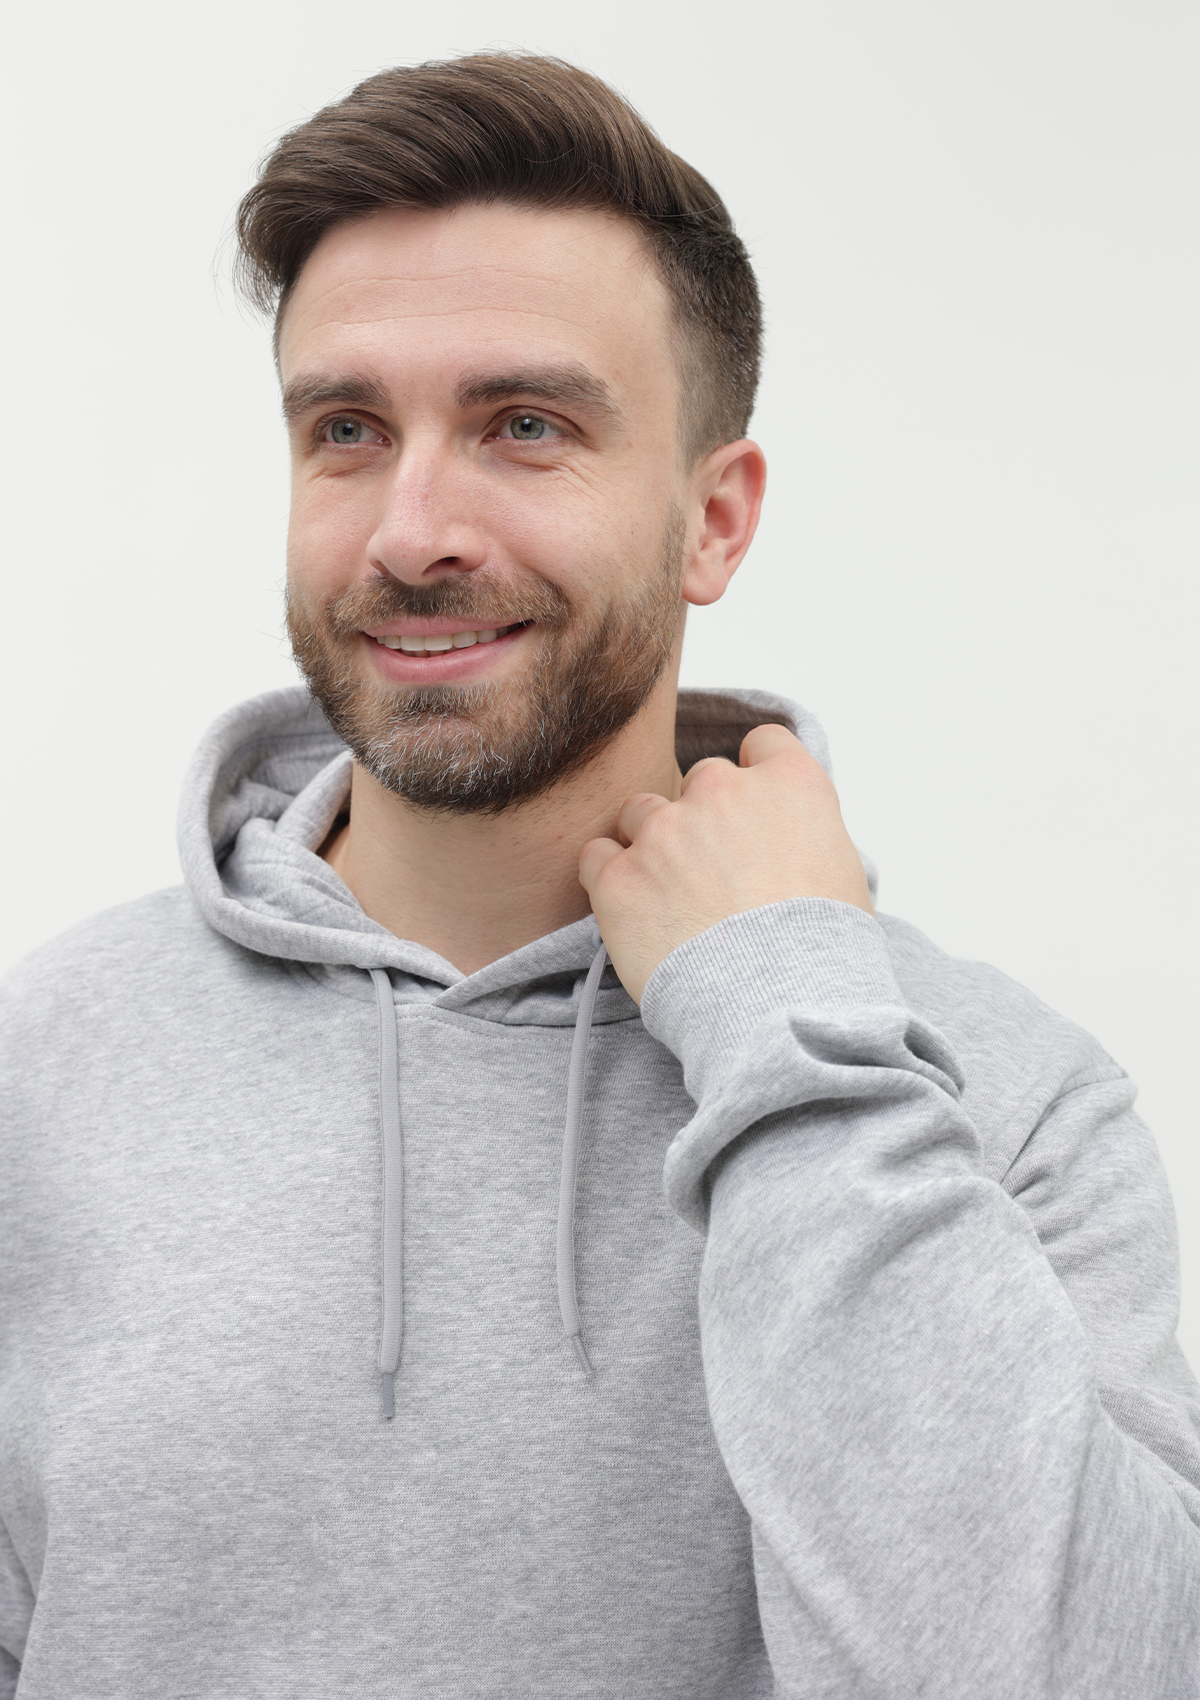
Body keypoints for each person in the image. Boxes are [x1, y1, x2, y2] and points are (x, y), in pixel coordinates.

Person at [0, 50, 1196, 1700]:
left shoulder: (998, 1101)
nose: (412, 531)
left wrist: (786, 1025)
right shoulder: (44, 1071)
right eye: (347, 430)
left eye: (526, 426)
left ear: (715, 521)